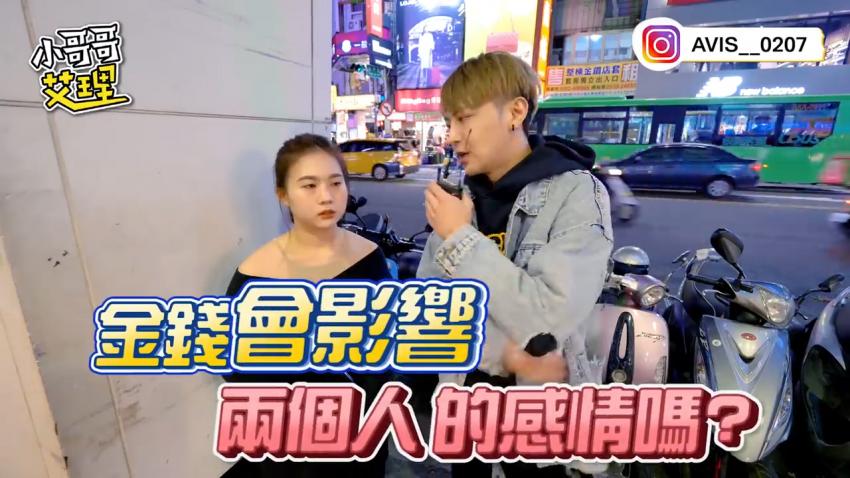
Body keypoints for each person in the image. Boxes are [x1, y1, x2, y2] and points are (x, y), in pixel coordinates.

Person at [416, 52, 613, 477]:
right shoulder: (460, 200)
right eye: (448, 122)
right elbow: (429, 314)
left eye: (464, 118)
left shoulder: (577, 193)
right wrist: (504, 353)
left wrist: (460, 238)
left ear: (515, 112)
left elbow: (546, 323)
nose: (452, 136)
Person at [221, 134, 391, 478]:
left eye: (335, 183)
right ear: (283, 195)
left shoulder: (369, 256)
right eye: (309, 185)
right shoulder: (255, 276)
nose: (326, 196)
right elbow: (234, 369)